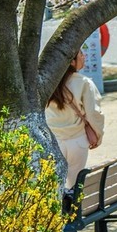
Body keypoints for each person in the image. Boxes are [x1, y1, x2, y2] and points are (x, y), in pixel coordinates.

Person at [45, 49, 105, 195]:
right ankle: (73, 215)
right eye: (81, 55)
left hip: (53, 139)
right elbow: (93, 114)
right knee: (74, 186)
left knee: (54, 185)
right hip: (77, 140)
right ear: (71, 61)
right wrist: (98, 135)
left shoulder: (47, 83)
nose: (84, 57)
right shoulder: (83, 83)